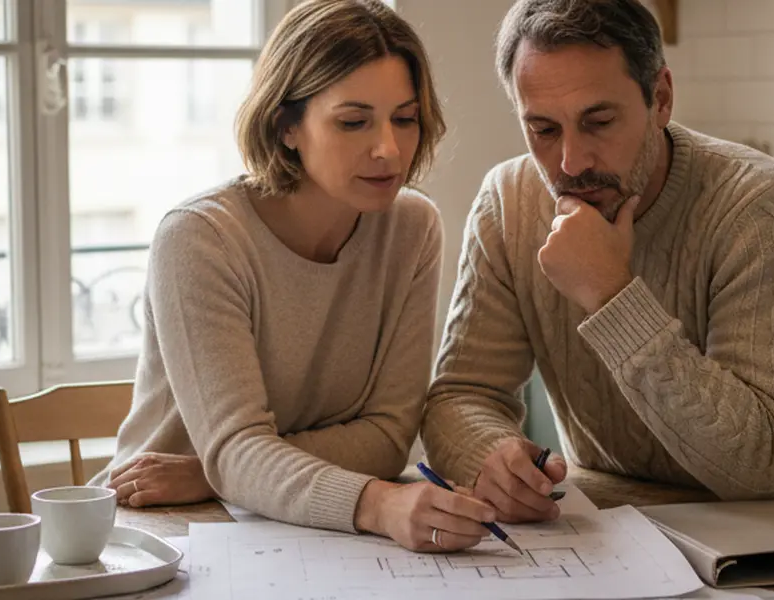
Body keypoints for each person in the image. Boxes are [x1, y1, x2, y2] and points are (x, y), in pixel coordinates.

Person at [420, 0, 774, 524]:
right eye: (542, 130)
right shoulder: (508, 202)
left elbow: (756, 469)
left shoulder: (760, 205)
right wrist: (490, 458)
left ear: (662, 99)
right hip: (619, 527)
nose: (571, 162)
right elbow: (462, 396)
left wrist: (611, 295)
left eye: (599, 121)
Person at [88, 0, 495, 552]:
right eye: (354, 122)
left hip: (296, 521)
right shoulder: (200, 238)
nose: (389, 149)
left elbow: (388, 438)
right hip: (168, 525)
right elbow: (237, 450)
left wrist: (218, 469)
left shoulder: (413, 228)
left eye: (405, 118)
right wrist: (372, 502)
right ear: (286, 126)